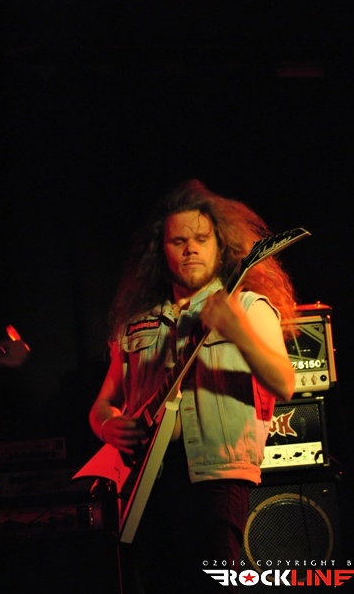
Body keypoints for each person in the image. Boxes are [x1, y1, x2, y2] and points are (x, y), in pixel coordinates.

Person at [89, 179, 297, 593]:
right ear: (160, 250)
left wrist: (237, 332)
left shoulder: (247, 306)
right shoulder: (137, 323)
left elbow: (284, 383)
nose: (191, 249)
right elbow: (102, 404)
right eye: (179, 241)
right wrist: (109, 425)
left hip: (214, 474)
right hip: (144, 480)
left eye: (201, 238)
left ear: (220, 243)